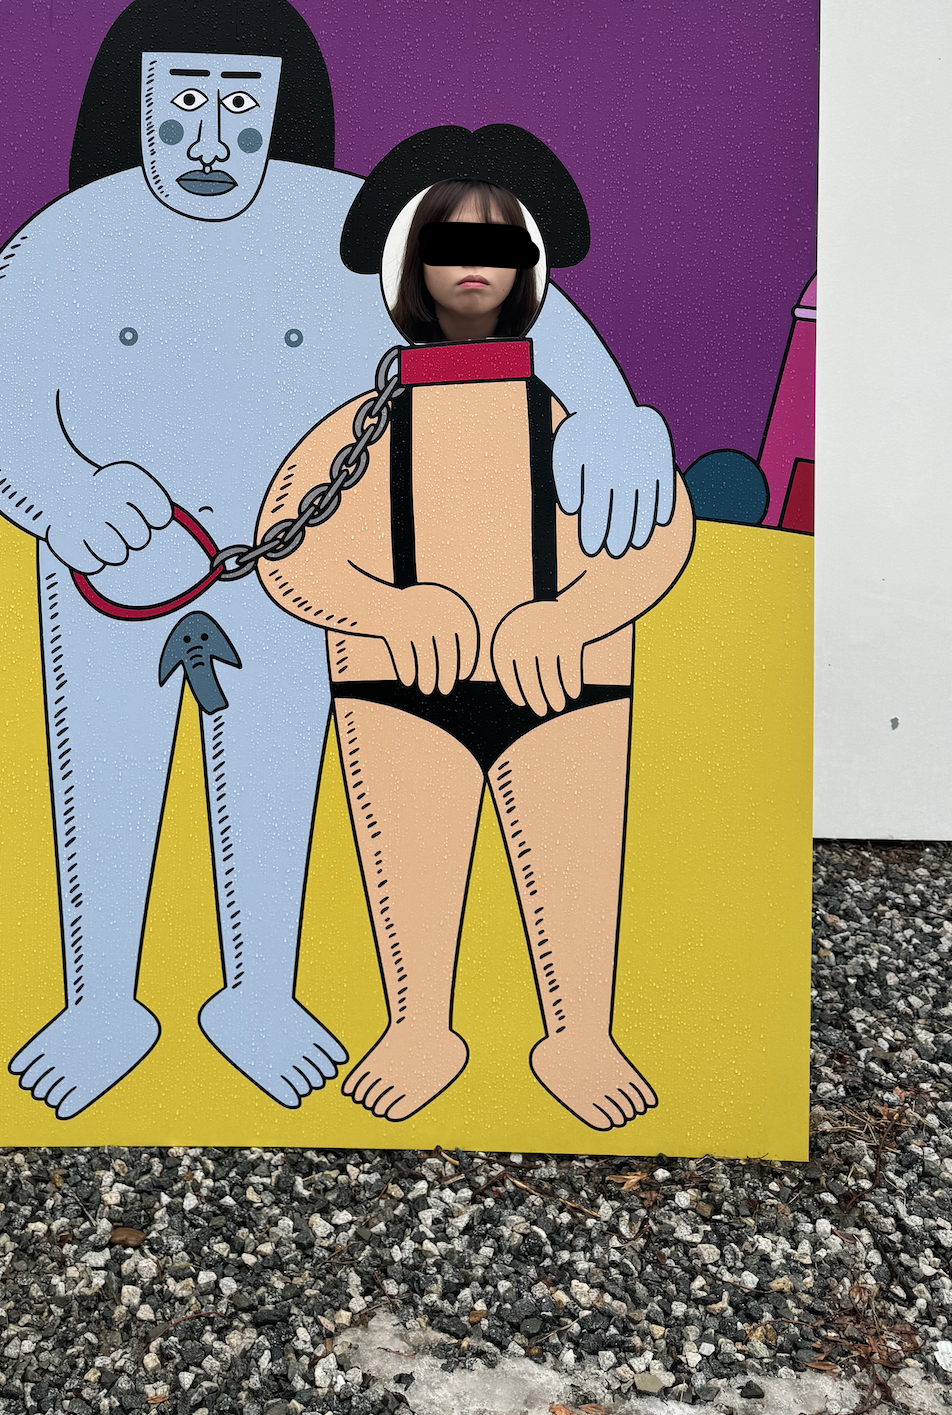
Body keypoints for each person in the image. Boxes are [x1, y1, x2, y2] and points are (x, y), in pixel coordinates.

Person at [0, 0, 678, 1119]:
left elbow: (522, 311)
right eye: (182, 100)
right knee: (104, 774)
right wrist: (58, 496)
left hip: (295, 562)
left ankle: (258, 995)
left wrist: (614, 420)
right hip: (113, 568)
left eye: (240, 104)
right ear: (131, 104)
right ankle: (99, 1004)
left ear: (285, 108)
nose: (209, 139)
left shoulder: (340, 223)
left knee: (277, 771)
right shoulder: (64, 238)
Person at [255, 124, 694, 1128]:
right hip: (395, 692)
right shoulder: (362, 425)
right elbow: (289, 552)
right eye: (450, 244)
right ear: (409, 263)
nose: (473, 267)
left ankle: (579, 1035)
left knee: (574, 861)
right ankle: (419, 1028)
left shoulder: (582, 421)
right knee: (407, 864)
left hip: (569, 689)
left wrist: (576, 615)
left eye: (497, 247)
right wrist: (386, 608)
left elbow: (657, 535)